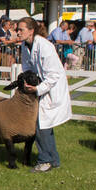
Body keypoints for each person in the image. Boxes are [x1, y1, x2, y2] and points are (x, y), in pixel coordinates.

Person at [19, 19, 72, 172]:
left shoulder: (44, 46)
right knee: (44, 125)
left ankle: (45, 161)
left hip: (51, 88)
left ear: (31, 31)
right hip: (41, 87)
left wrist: (38, 88)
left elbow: (54, 74)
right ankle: (54, 160)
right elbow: (27, 67)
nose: (18, 32)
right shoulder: (25, 45)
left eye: (21, 29)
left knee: (41, 125)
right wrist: (27, 81)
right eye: (18, 29)